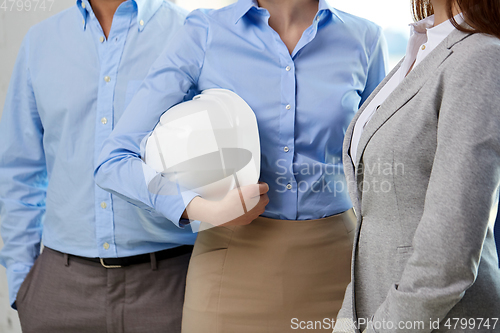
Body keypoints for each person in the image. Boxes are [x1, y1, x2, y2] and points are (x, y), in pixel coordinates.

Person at [94, 0, 387, 332]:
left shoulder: (365, 38)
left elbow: (379, 166)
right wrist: (202, 208)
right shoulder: (205, 32)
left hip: (337, 269)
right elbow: (115, 159)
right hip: (229, 268)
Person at [0, 0, 195, 332]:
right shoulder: (40, 42)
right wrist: (23, 281)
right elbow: (19, 168)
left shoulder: (193, 33)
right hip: (59, 288)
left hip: (171, 286)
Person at [334, 0, 500, 332]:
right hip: (373, 308)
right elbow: (377, 223)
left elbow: (447, 260)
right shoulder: (424, 45)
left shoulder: (482, 56)